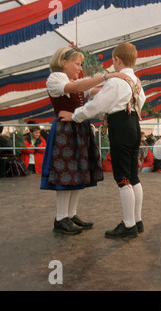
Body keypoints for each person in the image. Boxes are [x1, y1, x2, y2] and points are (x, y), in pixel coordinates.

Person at [59, 42, 145, 239]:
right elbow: (141, 101)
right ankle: (137, 220)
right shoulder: (136, 81)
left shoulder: (116, 81)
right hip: (134, 124)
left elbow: (98, 105)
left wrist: (75, 115)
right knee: (133, 176)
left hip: (120, 126)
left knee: (122, 178)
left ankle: (129, 224)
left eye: (113, 60)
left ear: (117, 60)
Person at [42, 46, 124, 235]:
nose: (80, 68)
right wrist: (107, 77)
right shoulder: (56, 78)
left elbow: (89, 90)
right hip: (65, 129)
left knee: (76, 172)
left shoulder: (73, 80)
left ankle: (71, 214)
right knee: (66, 172)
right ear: (64, 63)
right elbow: (77, 88)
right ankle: (61, 218)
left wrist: (115, 85)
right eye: (77, 64)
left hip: (77, 128)